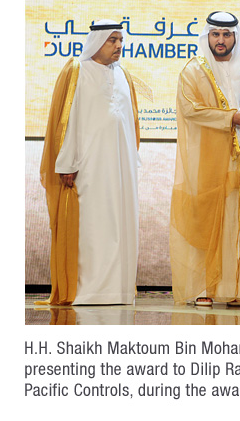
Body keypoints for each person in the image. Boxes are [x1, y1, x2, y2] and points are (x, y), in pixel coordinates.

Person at [170, 11, 240, 306]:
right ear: (207, 36)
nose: (221, 40)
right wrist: (230, 117)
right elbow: (190, 110)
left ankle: (235, 288)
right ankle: (204, 287)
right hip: (208, 158)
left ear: (236, 37)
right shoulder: (192, 71)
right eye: (216, 34)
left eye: (227, 34)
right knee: (206, 218)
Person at [38, 19, 140, 305]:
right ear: (97, 41)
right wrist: (67, 162)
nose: (119, 45)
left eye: (121, 40)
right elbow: (66, 121)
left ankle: (117, 291)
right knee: (94, 224)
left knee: (120, 222)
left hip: (121, 168)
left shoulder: (124, 76)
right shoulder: (76, 71)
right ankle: (88, 290)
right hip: (89, 165)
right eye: (112, 40)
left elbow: (130, 123)